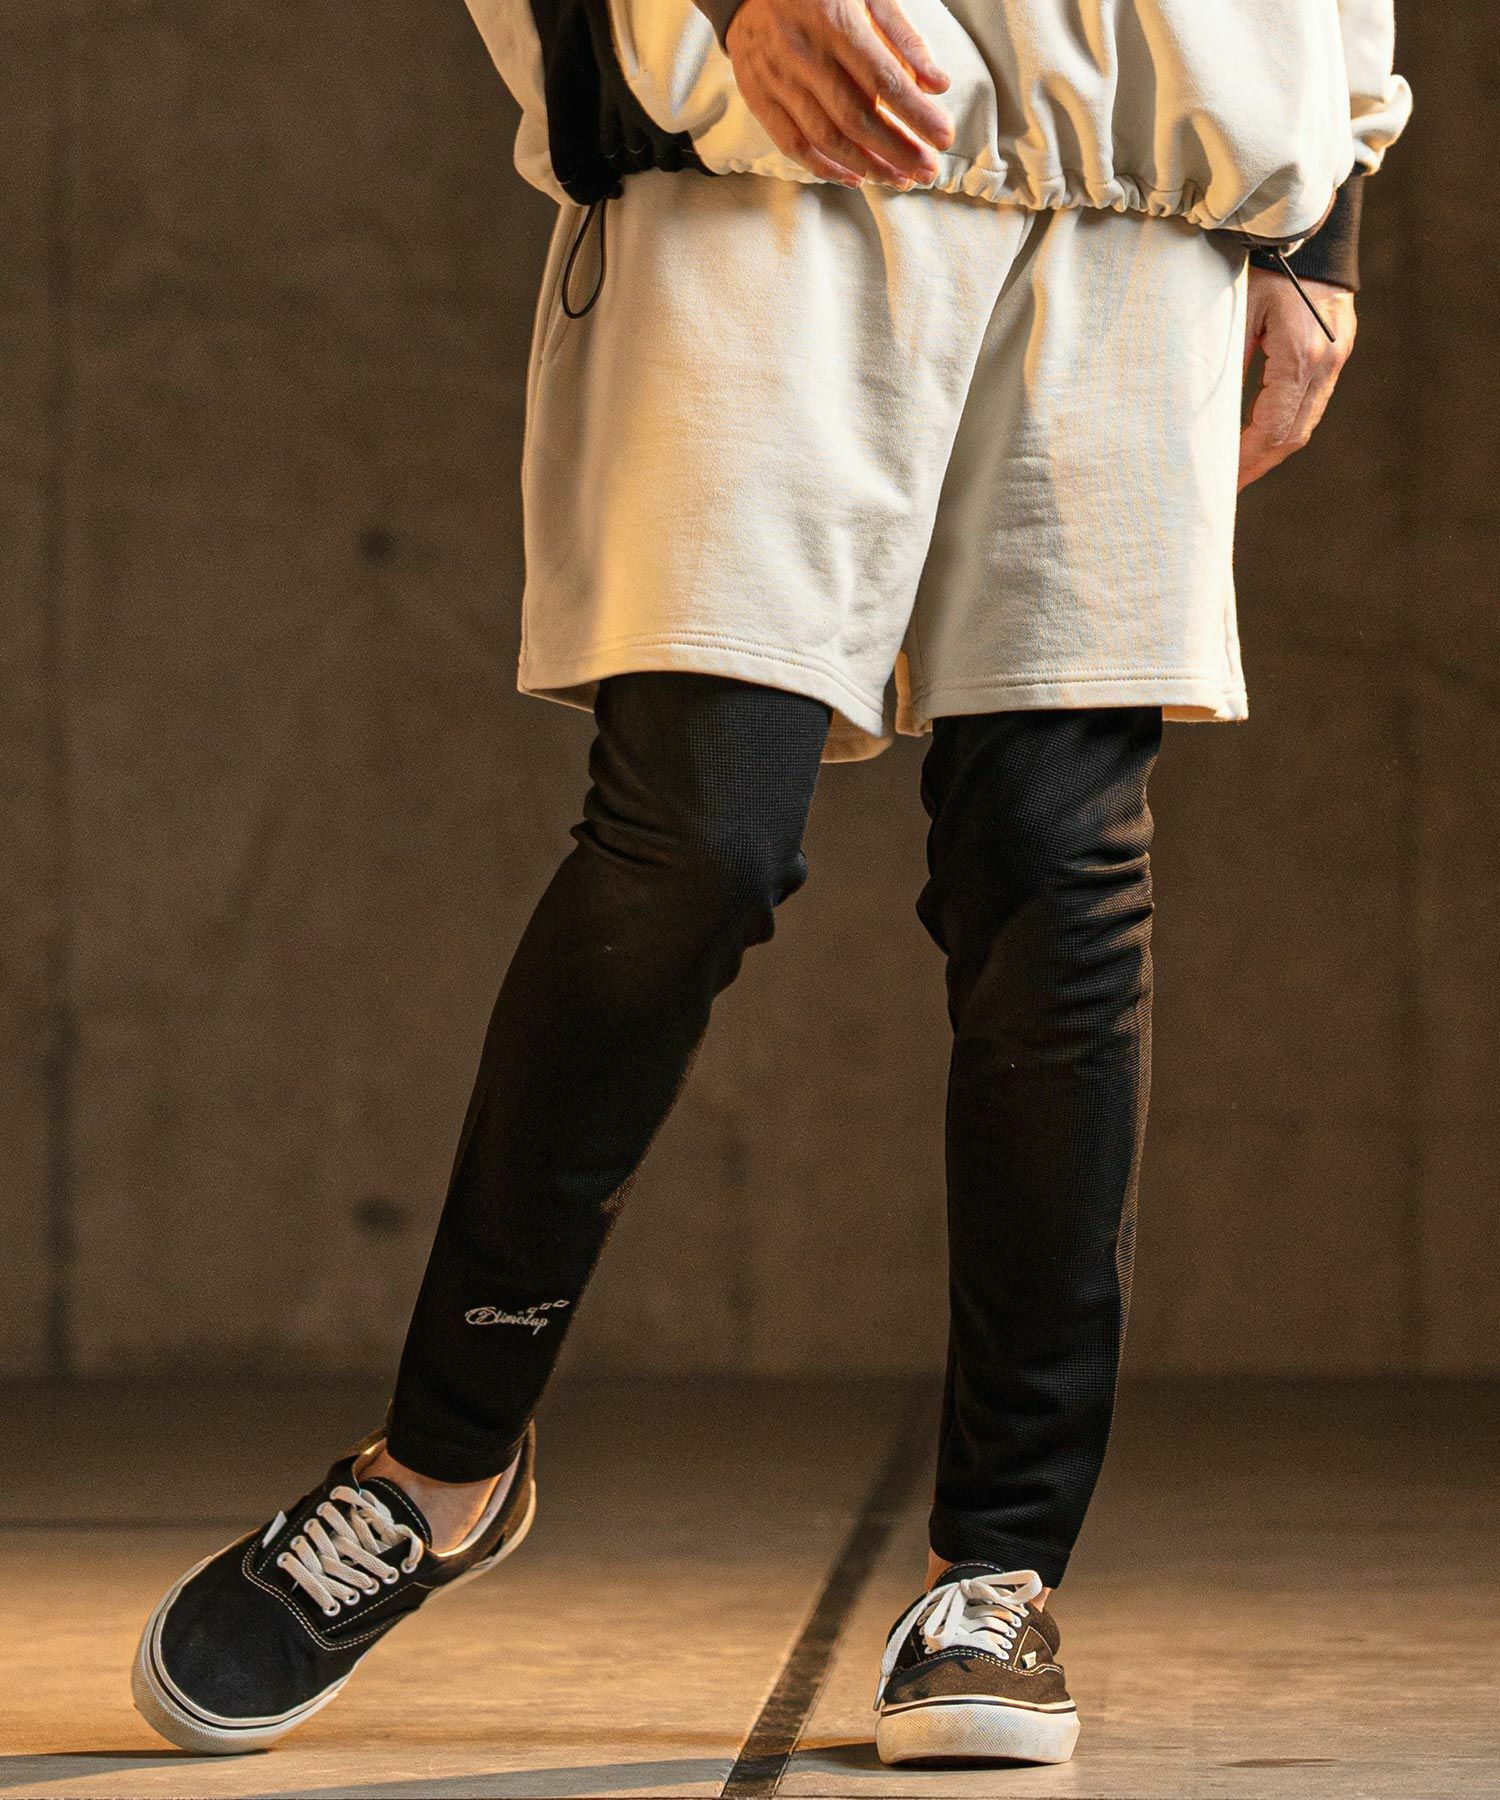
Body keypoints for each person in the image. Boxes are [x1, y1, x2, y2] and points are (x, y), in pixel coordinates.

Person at [130, 0, 1411, 1767]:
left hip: (1143, 189)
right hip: (781, 144)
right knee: (691, 846)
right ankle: (437, 1470)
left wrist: (1325, 212)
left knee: (1058, 874)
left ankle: (998, 1572)